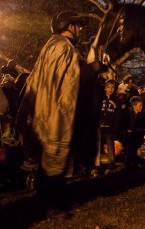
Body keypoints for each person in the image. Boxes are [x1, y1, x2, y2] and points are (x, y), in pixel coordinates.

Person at [15, 11, 101, 213]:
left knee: (51, 161)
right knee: (54, 159)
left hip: (45, 112)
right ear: (69, 27)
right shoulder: (63, 47)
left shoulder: (51, 46)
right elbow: (71, 80)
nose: (79, 30)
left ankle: (53, 201)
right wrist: (94, 68)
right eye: (77, 26)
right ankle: (53, 203)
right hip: (54, 113)